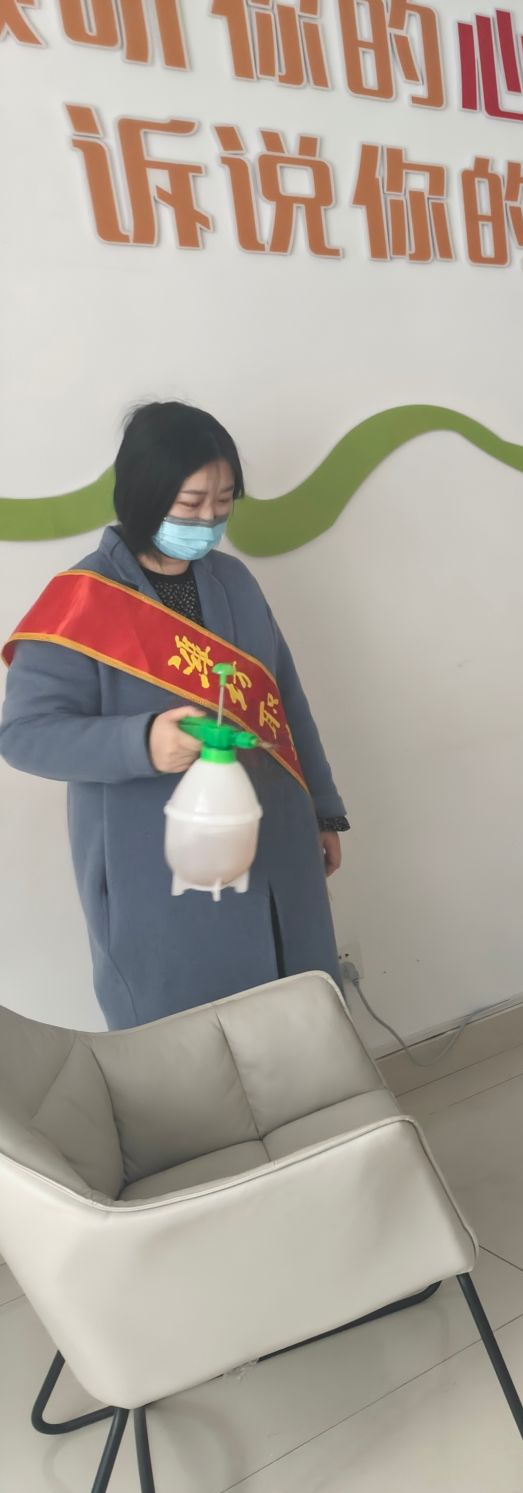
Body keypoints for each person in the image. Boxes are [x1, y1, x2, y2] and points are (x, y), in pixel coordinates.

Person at [1, 403, 349, 1029]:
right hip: (157, 867)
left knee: (300, 1023)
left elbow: (286, 701)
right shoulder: (81, 602)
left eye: (224, 501)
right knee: (190, 1046)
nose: (209, 520)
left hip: (273, 840)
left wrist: (322, 810)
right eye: (191, 503)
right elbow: (25, 735)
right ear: (144, 492)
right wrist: (141, 742)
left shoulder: (235, 582)